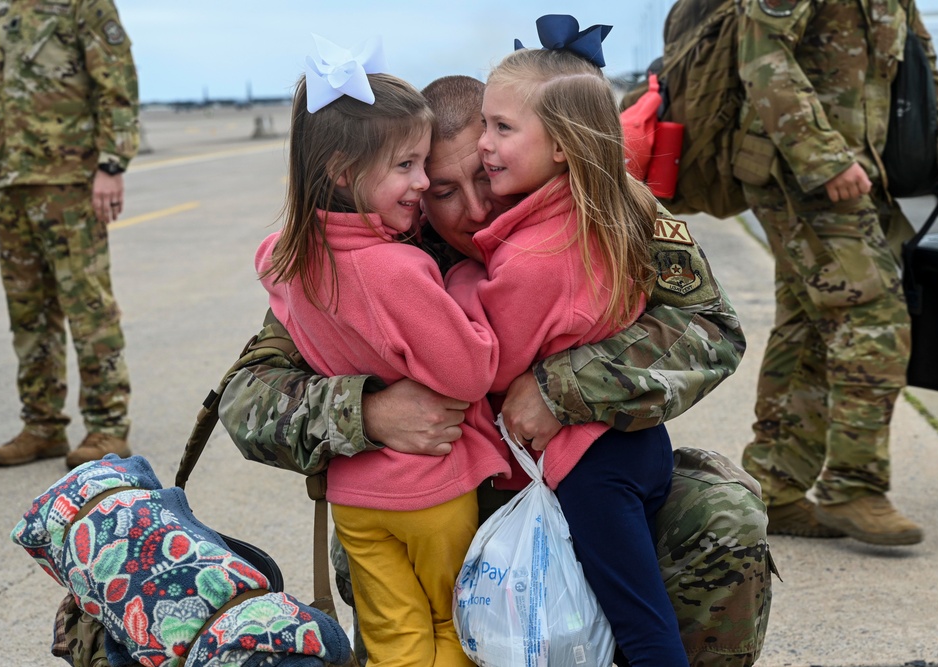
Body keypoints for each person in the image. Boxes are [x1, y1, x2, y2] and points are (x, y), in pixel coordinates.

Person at [220, 73, 771, 667]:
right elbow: (247, 396)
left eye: (483, 177)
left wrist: (563, 387)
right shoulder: (375, 249)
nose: (476, 208)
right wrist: (369, 412)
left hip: (585, 478)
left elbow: (710, 327)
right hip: (446, 502)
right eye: (444, 191)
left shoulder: (595, 204)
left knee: (723, 513)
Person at [256, 50, 511, 666]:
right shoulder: (399, 262)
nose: (428, 188)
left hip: (356, 497)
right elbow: (470, 371)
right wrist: (365, 410)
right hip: (434, 487)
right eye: (423, 173)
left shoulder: (287, 257)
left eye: (487, 179)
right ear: (346, 171)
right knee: (458, 625)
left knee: (398, 638)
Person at [441, 36, 686, 665]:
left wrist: (463, 284)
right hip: (638, 441)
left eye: (500, 128)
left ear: (560, 144)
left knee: (636, 624)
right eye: (485, 126)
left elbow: (486, 364)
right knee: (614, 614)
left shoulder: (529, 257)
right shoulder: (597, 213)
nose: (487, 145)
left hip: (592, 466)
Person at [735, 0, 938, 545]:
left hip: (867, 174)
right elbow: (761, 53)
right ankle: (853, 485)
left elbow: (922, 65)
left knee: (811, 326)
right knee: (874, 313)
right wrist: (822, 158)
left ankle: (775, 486)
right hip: (800, 172)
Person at [0, 0, 139, 469]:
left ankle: (108, 426)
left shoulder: (84, 4)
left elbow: (117, 81)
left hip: (71, 181)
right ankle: (42, 426)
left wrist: (111, 165)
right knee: (27, 312)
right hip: (13, 182)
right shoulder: (0, 7)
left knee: (87, 307)